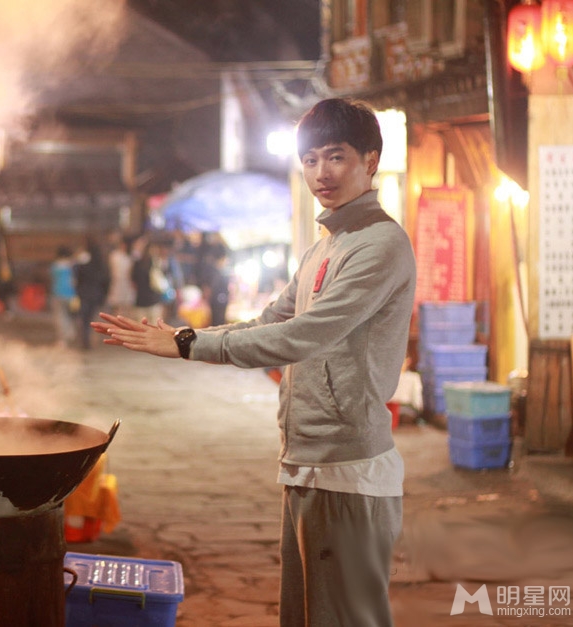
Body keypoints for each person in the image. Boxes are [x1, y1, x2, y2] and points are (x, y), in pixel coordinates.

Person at [92, 98, 417, 627]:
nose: (320, 173)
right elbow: (268, 320)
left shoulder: (380, 245)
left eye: (335, 157)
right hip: (306, 462)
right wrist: (183, 335)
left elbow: (300, 336)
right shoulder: (324, 247)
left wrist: (187, 345)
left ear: (371, 160)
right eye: (309, 160)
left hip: (347, 469)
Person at [74, 236, 111, 350]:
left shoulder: (83, 264)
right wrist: (105, 294)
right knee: (94, 318)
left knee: (85, 319)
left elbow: (77, 278)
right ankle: (94, 341)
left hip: (84, 294)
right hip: (97, 295)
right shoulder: (102, 265)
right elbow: (106, 280)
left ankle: (86, 341)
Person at [49, 245, 78, 348]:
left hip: (57, 294)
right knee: (70, 315)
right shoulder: (72, 266)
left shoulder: (55, 266)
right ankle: (71, 333)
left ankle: (62, 340)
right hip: (72, 294)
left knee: (60, 317)